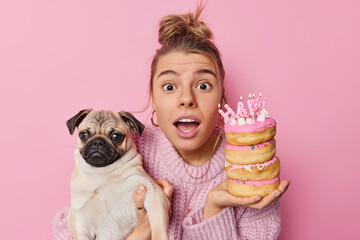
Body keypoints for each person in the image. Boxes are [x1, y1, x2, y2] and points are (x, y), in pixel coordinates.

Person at [53, 5, 290, 240]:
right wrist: (140, 235)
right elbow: (70, 228)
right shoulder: (127, 145)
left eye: (203, 85)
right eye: (169, 87)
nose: (186, 99)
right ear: (153, 99)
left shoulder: (252, 163)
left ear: (221, 97)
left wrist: (214, 209)